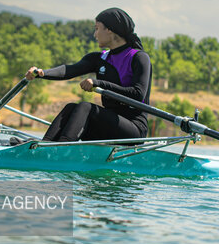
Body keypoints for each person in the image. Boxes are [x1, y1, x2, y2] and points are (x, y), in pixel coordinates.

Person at [25, 7, 152, 143]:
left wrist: (99, 83)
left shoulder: (138, 57)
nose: (95, 34)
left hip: (133, 129)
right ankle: (44, 145)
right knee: (71, 108)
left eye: (97, 28)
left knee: (86, 107)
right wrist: (42, 73)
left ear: (109, 29)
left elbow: (138, 94)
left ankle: (61, 148)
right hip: (108, 125)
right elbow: (69, 70)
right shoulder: (99, 58)